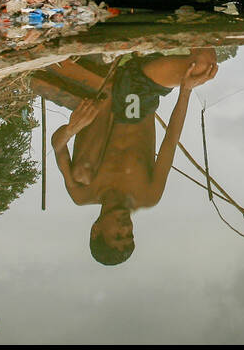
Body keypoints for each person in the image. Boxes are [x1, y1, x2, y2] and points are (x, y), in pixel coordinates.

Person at [46, 50, 218, 265]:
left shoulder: (82, 193)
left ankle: (109, 84)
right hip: (137, 94)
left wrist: (72, 129)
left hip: (101, 96)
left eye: (118, 235)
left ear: (95, 230)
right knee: (203, 65)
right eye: (129, 235)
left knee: (82, 174)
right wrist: (185, 91)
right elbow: (170, 141)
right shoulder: (148, 194)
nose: (126, 228)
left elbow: (58, 146)